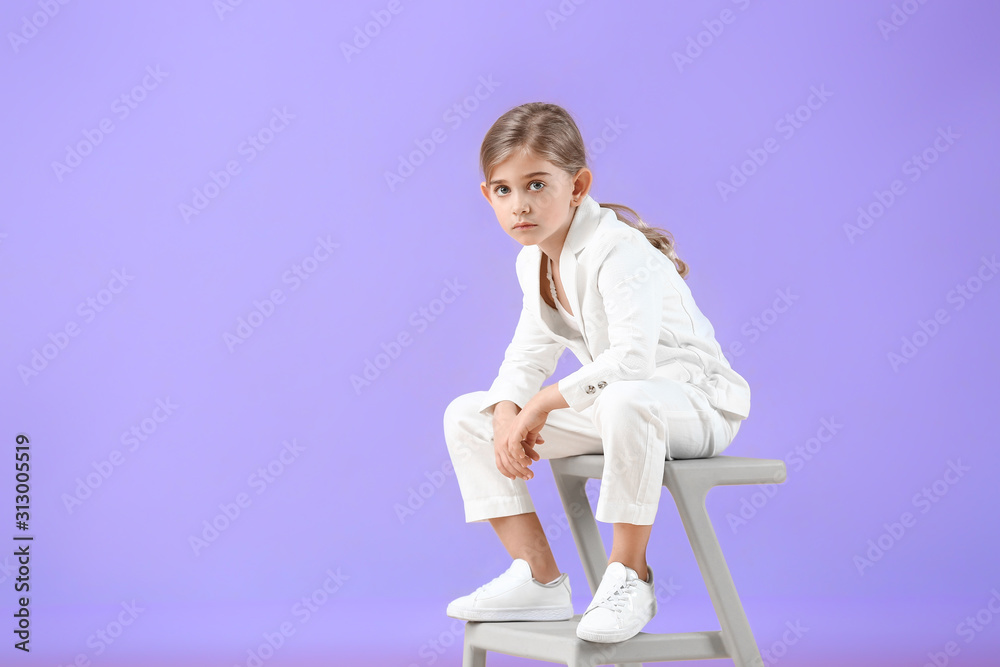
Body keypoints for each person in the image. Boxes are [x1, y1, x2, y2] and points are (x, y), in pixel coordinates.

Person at [442, 102, 751, 644]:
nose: (521, 205)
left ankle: (630, 574)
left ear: (578, 185)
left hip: (694, 405)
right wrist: (509, 409)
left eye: (537, 184)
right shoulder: (534, 259)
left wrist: (538, 406)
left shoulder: (618, 249)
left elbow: (632, 362)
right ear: (487, 195)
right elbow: (528, 351)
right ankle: (537, 577)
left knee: (625, 398)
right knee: (471, 414)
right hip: (616, 407)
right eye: (503, 189)